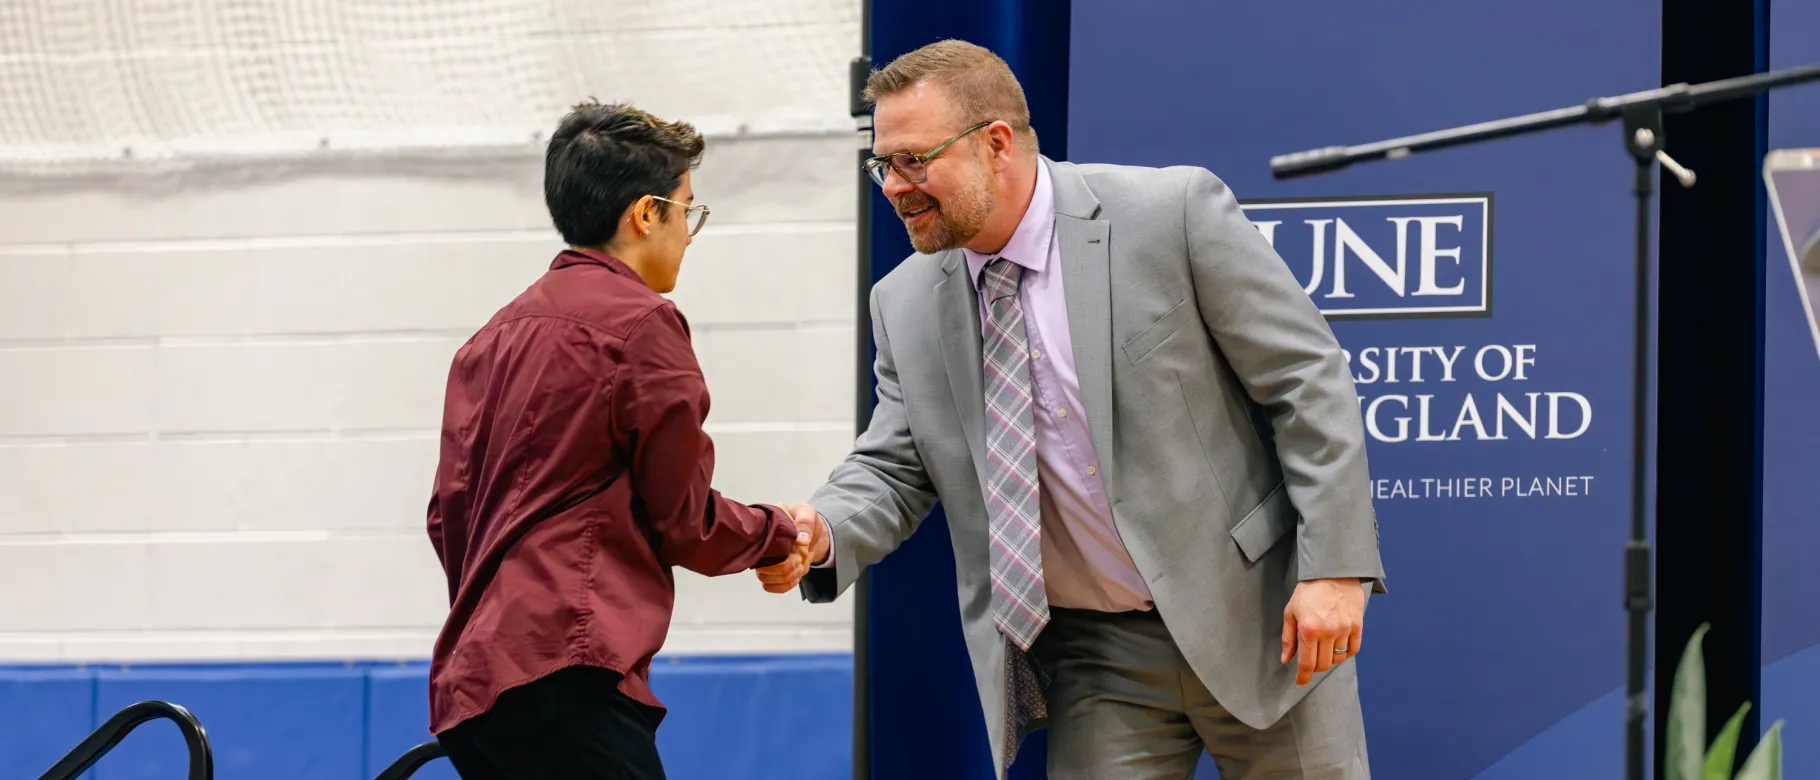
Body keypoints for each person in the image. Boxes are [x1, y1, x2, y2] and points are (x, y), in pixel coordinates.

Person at [757, 40, 1386, 780]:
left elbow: (1305, 379)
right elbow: (895, 467)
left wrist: (1335, 569)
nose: (893, 187)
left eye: (913, 160)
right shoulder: (903, 304)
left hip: (1257, 615)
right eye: (881, 164)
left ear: (996, 144)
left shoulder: (1169, 213)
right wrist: (819, 528)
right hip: (1094, 656)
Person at [425, 99, 812, 780]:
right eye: (687, 212)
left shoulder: (487, 339)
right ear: (644, 214)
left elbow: (446, 517)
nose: (690, 234)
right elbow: (684, 521)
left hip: (472, 691)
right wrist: (776, 535)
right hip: (568, 674)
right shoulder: (643, 326)